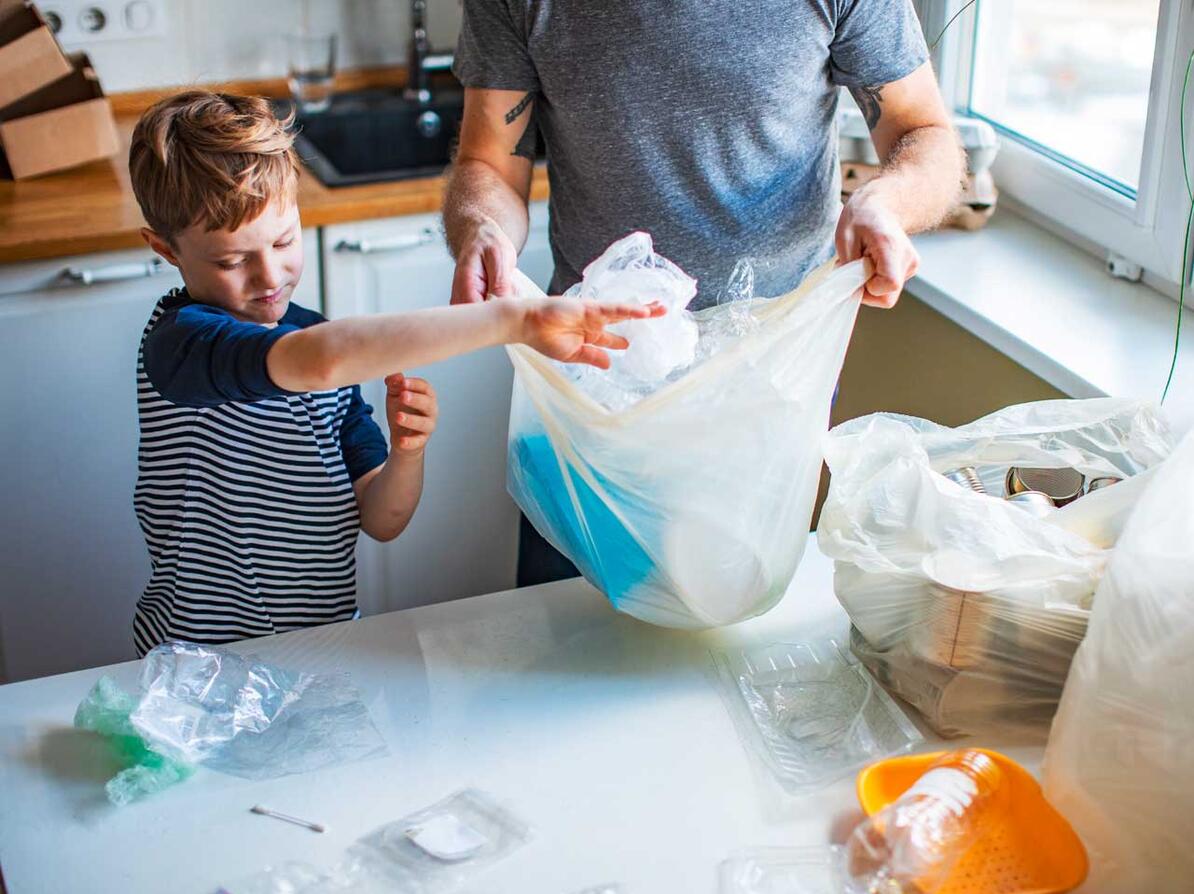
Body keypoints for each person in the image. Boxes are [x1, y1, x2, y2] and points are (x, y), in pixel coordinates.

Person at [443, 0, 965, 586]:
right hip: (597, 371)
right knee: (568, 617)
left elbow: (924, 130)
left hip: (770, 373)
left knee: (733, 617)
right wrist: (482, 227)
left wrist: (884, 204)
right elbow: (488, 161)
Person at [127, 91, 664, 655]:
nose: (268, 276)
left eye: (284, 241)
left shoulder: (325, 351)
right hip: (195, 658)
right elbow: (318, 359)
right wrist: (514, 319)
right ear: (165, 249)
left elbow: (382, 520)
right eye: (232, 261)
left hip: (326, 648)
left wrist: (408, 454)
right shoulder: (182, 344)